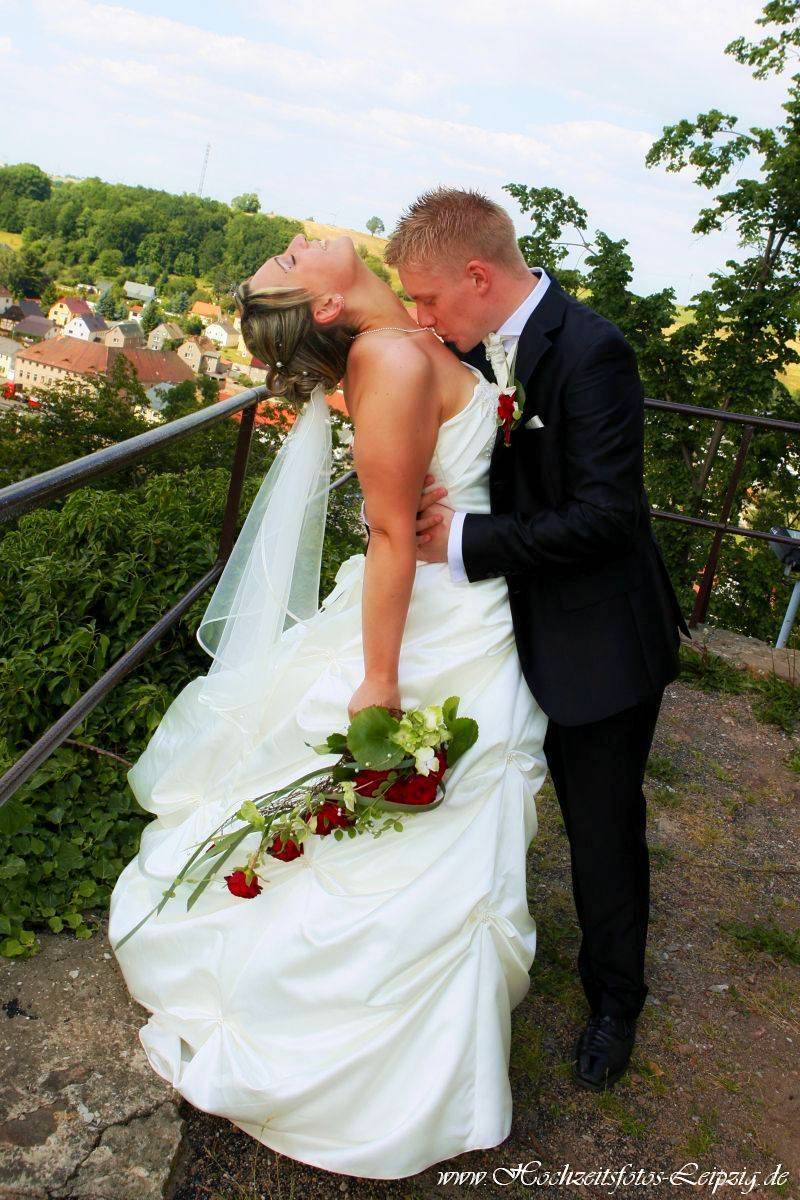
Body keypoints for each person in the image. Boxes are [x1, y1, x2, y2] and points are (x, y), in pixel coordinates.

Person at [108, 231, 549, 1179]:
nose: (294, 242)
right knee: (412, 819)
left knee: (433, 831)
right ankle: (353, 1046)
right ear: (323, 309)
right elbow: (392, 535)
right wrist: (381, 681)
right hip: (434, 623)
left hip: (467, 595)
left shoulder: (419, 342)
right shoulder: (389, 357)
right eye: (284, 262)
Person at [383, 186, 689, 1094]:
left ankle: (613, 1005)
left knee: (602, 832)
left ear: (478, 277)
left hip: (599, 640)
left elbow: (605, 517)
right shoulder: (468, 343)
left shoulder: (593, 351)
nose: (420, 318)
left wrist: (466, 541)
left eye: (428, 300)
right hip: (501, 629)